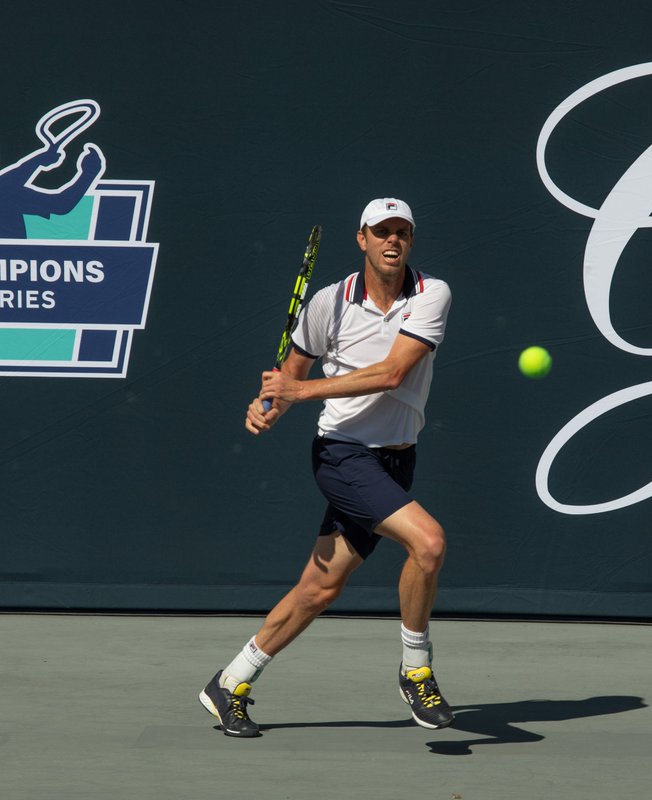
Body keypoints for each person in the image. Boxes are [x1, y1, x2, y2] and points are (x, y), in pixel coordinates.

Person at [198, 197, 454, 737]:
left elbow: (392, 373)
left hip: (396, 459)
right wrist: (269, 406)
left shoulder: (432, 294)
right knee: (428, 543)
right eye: (381, 231)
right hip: (342, 454)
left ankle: (230, 683)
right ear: (362, 239)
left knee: (319, 589)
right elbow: (290, 376)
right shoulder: (327, 302)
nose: (392, 240)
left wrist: (297, 391)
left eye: (402, 232)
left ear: (411, 240)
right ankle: (417, 670)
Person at [0, 126, 104, 238]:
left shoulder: (8, 193)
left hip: (15, 273)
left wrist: (88, 174)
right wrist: (37, 161)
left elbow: (61, 204)